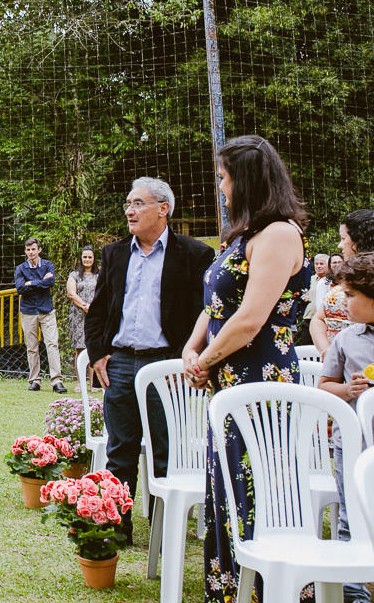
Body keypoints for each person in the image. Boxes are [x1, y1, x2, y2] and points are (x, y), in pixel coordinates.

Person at [181, 135, 310, 603]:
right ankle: (230, 591)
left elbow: (252, 318)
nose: (221, 187)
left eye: (224, 177)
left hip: (262, 382)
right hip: (230, 381)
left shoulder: (279, 235)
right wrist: (192, 348)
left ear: (248, 179)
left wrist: (206, 361)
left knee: (257, 488)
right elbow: (217, 305)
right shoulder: (244, 235)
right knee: (228, 487)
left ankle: (269, 593)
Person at [84, 176, 213, 542]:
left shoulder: (194, 254)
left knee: (165, 451)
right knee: (120, 450)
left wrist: (186, 358)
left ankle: (164, 532)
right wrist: (98, 355)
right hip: (121, 364)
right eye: (128, 204)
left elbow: (205, 313)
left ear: (163, 208)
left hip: (165, 367)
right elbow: (97, 311)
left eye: (138, 203)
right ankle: (116, 528)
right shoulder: (114, 253)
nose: (129, 210)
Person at [318, 253, 374, 603]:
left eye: (351, 295)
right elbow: (325, 386)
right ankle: (354, 594)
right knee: (350, 518)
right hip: (354, 444)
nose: (343, 302)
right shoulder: (346, 339)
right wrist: (348, 390)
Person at [311, 210, 374, 354]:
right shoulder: (347, 275)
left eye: (343, 238)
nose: (340, 245)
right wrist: (327, 351)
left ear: (359, 240)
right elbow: (318, 320)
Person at [14, 238, 65, 393]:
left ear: (39, 250)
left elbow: (50, 283)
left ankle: (57, 381)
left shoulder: (48, 265)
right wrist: (40, 282)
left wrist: (31, 283)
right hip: (28, 312)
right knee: (32, 347)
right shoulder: (20, 268)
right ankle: (35, 380)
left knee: (52, 344)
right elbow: (20, 289)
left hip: (46, 311)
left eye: (33, 249)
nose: (31, 252)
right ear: (25, 251)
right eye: (28, 250)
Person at [66, 247, 98, 390]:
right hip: (78, 315)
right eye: (85, 257)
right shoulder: (74, 275)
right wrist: (85, 306)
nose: (87, 260)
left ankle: (93, 383)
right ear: (81, 258)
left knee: (92, 348)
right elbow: (71, 294)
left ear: (94, 259)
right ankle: (80, 382)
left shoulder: (99, 275)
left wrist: (93, 307)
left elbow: (103, 292)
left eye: (90, 257)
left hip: (95, 315)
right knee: (80, 349)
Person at [296, 253, 329, 345]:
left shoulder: (331, 281)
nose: (318, 266)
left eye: (321, 264)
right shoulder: (310, 279)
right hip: (309, 318)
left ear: (328, 265)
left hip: (324, 320)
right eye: (316, 264)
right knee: (306, 345)